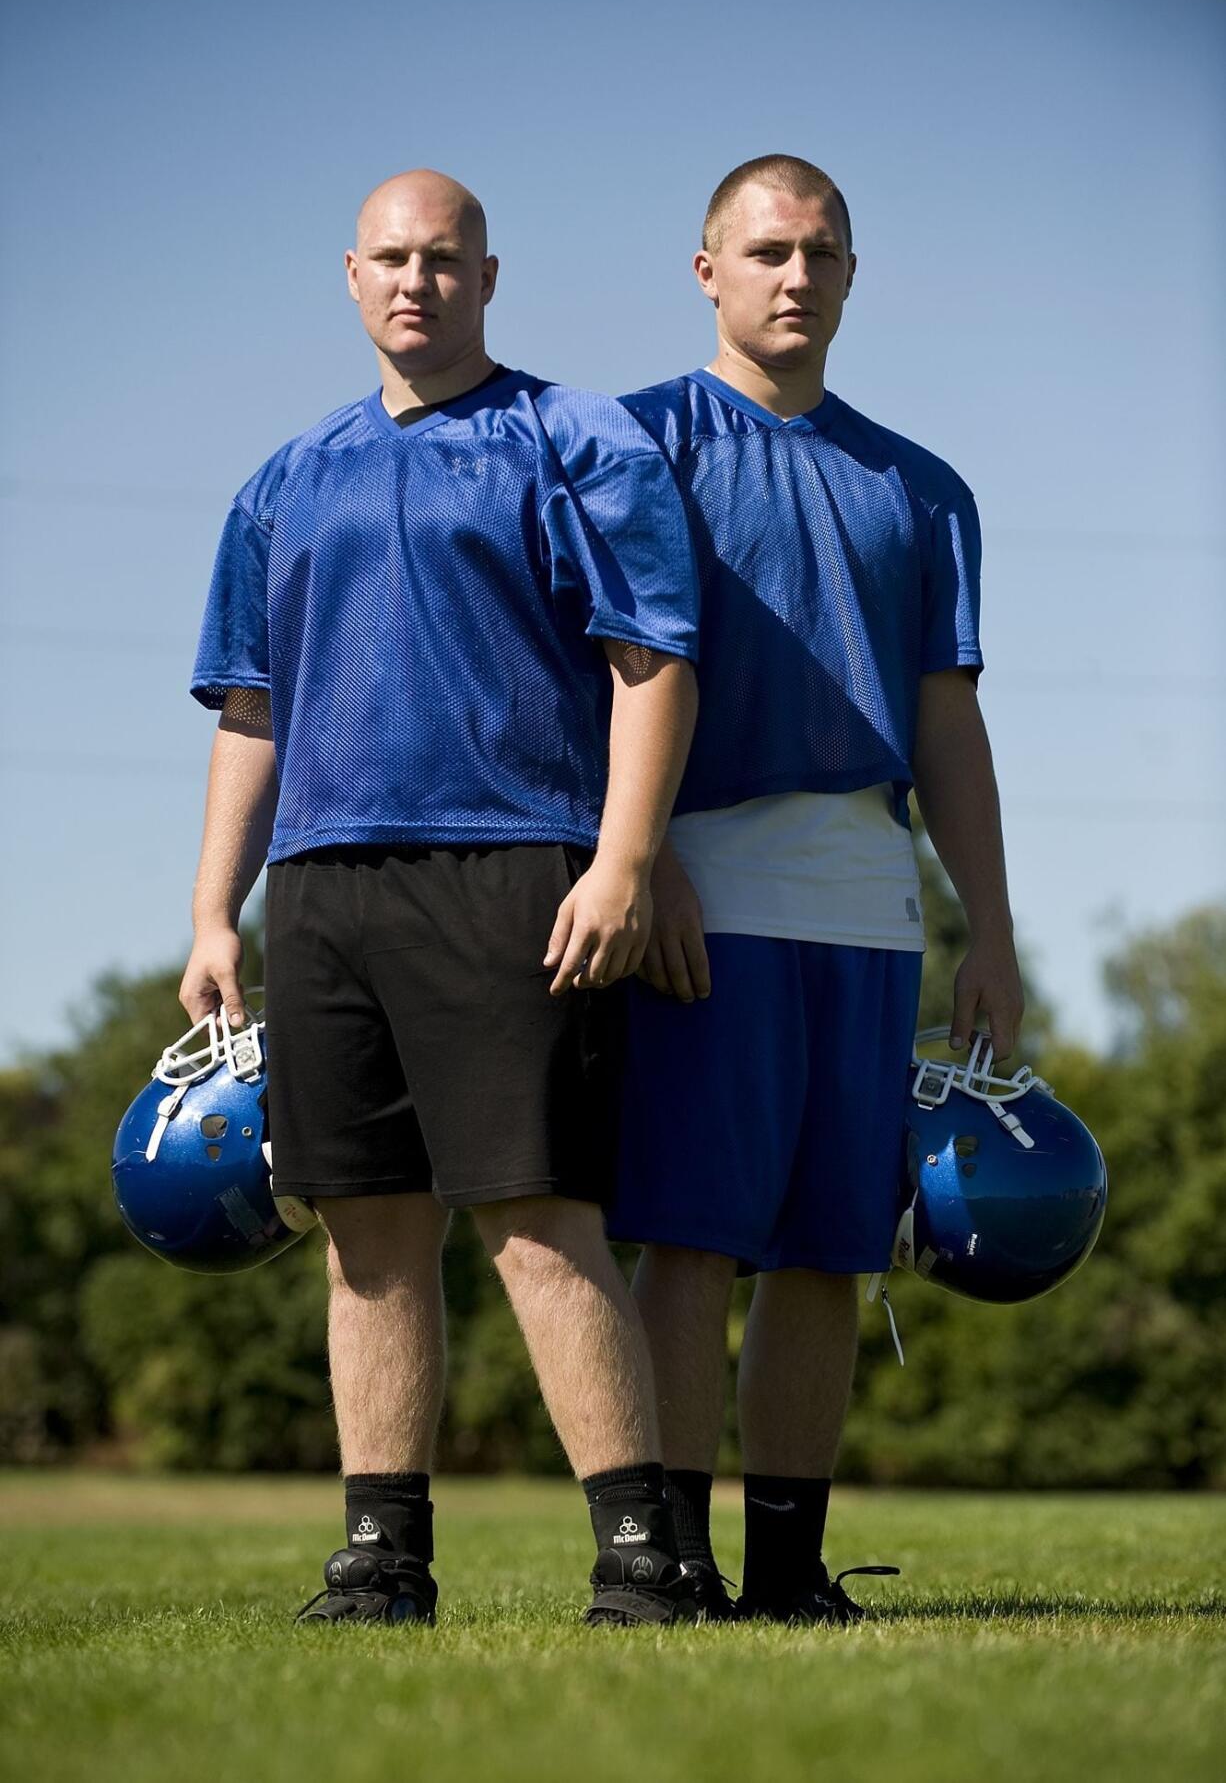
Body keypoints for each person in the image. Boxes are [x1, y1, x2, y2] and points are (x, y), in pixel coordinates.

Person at [180, 168, 702, 1628]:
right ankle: (380, 1559)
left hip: (516, 866)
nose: (416, 281)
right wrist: (214, 912)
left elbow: (651, 660)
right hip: (325, 883)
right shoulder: (285, 480)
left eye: (445, 259)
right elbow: (248, 714)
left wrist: (623, 857)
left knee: (538, 1221)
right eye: (391, 260)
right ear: (351, 277)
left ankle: (639, 1558)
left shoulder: (570, 438)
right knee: (362, 1231)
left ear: (487, 277)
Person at [607, 155, 1024, 1623]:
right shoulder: (633, 446)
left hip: (867, 888)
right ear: (707, 270)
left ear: (853, 275)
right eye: (767, 249)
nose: (795, 275)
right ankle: (657, 1564)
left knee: (829, 1248)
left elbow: (946, 726)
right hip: (697, 874)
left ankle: (786, 1570)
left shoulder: (922, 487)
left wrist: (991, 928)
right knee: (691, 1233)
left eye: (822, 252)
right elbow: (597, 684)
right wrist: (636, 854)